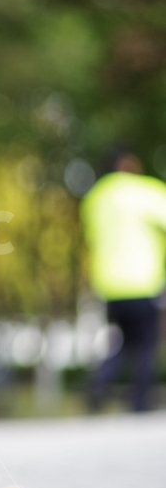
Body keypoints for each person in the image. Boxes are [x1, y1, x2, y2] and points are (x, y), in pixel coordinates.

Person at [81, 150, 166, 412]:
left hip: (109, 284)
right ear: (129, 165)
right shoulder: (144, 191)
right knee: (146, 343)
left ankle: (98, 383)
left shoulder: (95, 197)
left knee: (125, 340)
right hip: (142, 280)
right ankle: (139, 400)